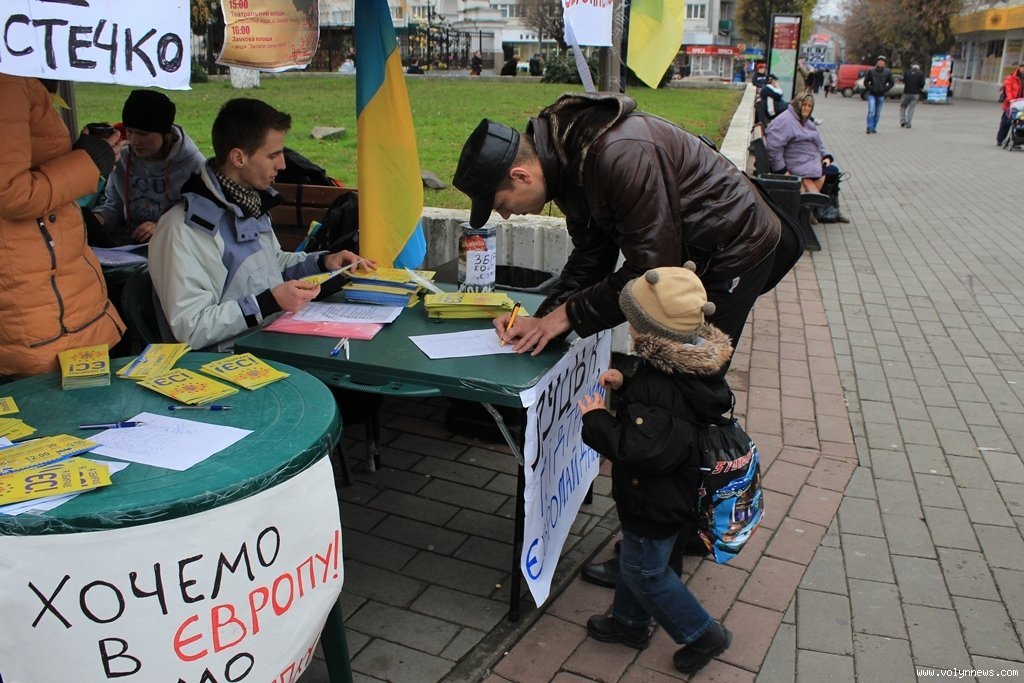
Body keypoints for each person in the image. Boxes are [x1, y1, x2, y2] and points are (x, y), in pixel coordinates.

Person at [453, 92, 799, 588]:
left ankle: (657, 548)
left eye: (500, 205)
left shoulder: (618, 155)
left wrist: (565, 317)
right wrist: (544, 318)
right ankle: (672, 531)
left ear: (521, 176)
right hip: (690, 256)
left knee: (677, 395)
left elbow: (649, 275)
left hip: (731, 253)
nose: (504, 216)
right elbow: (591, 257)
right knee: (665, 391)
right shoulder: (568, 160)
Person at [578, 265, 733, 675]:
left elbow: (642, 449)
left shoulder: (661, 384)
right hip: (669, 494)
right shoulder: (682, 364)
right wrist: (628, 384)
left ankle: (704, 634)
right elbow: (664, 416)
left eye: (633, 319)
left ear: (650, 330)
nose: (628, 326)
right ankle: (628, 623)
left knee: (645, 571)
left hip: (654, 498)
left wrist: (597, 419)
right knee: (643, 561)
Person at [149, 98, 374, 352]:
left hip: (270, 341)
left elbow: (272, 266)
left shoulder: (249, 203)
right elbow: (191, 328)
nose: (283, 164)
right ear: (238, 157)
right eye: (273, 155)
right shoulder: (183, 229)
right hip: (222, 363)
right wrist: (267, 303)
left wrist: (323, 264)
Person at [0, 75, 125, 377]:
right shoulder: (9, 80)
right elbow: (11, 193)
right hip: (39, 306)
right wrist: (90, 162)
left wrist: (81, 154)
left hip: (54, 299)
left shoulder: (20, 78)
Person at [88, 90, 205, 247]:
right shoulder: (122, 159)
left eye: (143, 134)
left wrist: (162, 228)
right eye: (129, 131)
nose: (134, 141)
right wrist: (98, 219)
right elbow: (115, 206)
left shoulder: (194, 166)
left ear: (165, 134)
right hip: (125, 247)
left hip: (172, 247)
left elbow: (200, 218)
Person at [765, 94, 833, 194]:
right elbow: (773, 148)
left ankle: (816, 200)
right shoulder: (785, 120)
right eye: (804, 105)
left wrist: (827, 156)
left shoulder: (805, 121)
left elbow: (818, 142)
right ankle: (814, 201)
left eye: (810, 106)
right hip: (798, 165)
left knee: (833, 172)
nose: (807, 108)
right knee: (831, 173)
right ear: (797, 104)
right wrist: (782, 171)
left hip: (809, 162)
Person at [863, 55, 894, 134]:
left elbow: (892, 82)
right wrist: (871, 88)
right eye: (879, 61)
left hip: (881, 95)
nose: (880, 62)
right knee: (871, 111)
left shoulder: (887, 72)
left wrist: (885, 89)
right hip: (872, 94)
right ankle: (869, 127)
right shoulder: (871, 71)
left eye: (882, 61)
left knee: (877, 113)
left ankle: (874, 127)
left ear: (884, 63)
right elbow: (866, 82)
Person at [996, 63, 1024, 146]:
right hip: (1011, 104)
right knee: (1006, 122)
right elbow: (1008, 90)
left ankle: (1017, 141)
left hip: (1022, 104)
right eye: (1022, 67)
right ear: (1019, 67)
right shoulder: (1011, 77)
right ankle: (1000, 139)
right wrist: (1010, 99)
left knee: (1020, 122)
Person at [899, 63, 926, 129]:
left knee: (903, 106)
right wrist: (920, 88)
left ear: (912, 67)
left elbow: (904, 81)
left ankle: (902, 120)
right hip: (915, 93)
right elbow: (922, 83)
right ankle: (909, 123)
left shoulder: (907, 72)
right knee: (911, 108)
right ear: (918, 68)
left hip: (906, 92)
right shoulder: (921, 73)